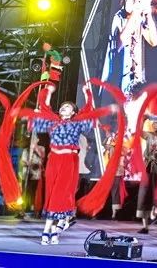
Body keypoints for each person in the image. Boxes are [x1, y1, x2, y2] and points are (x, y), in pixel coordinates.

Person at [29, 82, 110, 245]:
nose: (63, 108)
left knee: (60, 193)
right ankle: (58, 227)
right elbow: (45, 109)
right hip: (53, 161)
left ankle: (47, 229)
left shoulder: (77, 123)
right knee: (51, 193)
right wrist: (48, 92)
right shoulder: (53, 122)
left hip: (68, 161)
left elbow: (88, 111)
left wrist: (87, 93)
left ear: (73, 112)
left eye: (67, 107)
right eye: (62, 107)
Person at [104, 0, 157, 131]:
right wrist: (136, 12)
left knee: (138, 122)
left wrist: (148, 15)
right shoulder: (119, 17)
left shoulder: (139, 18)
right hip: (120, 80)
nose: (136, 1)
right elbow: (121, 40)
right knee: (122, 122)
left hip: (137, 80)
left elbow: (154, 41)